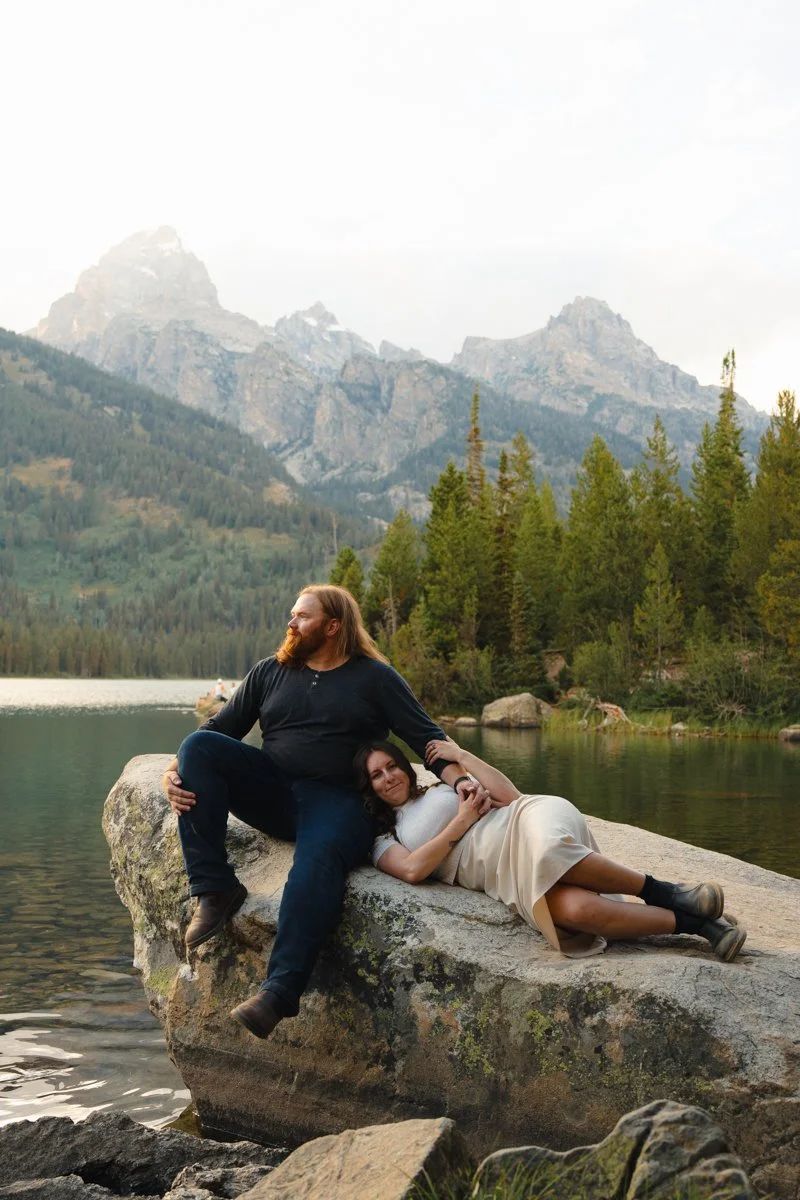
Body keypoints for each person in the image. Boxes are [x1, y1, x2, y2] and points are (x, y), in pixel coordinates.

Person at [162, 585, 488, 1041]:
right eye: (292, 614)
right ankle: (215, 889)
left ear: (333, 626)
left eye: (302, 616)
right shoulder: (270, 671)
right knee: (199, 746)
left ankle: (279, 992)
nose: (291, 623)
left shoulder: (374, 678)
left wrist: (461, 781)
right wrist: (174, 774)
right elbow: (220, 729)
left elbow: (426, 738)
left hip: (338, 802)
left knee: (315, 864)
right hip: (273, 791)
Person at [355, 736, 747, 961]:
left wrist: (461, 757)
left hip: (524, 822)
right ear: (367, 787)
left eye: (392, 765)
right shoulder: (383, 839)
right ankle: (698, 924)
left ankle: (667, 892)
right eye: (377, 774)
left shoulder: (442, 787)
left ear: (405, 766)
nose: (389, 777)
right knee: (575, 914)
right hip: (505, 875)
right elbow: (412, 870)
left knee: (547, 850)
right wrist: (463, 820)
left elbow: (510, 795)